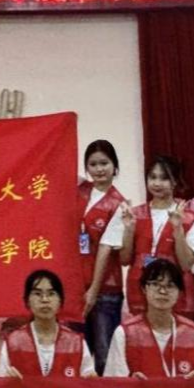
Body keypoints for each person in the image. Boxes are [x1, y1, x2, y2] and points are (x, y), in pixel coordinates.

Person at [121, 156, 194, 320]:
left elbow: (186, 264)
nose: (157, 183)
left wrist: (178, 229)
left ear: (175, 182)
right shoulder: (134, 214)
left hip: (176, 294)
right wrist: (129, 230)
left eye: (164, 178)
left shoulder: (189, 217)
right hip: (140, 291)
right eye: (153, 177)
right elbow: (124, 259)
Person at [104, 259, 194, 378]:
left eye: (170, 286)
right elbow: (113, 383)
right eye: (155, 284)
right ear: (144, 289)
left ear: (179, 292)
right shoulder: (124, 333)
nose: (162, 291)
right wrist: (131, 383)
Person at [77, 140, 129, 374]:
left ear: (114, 166)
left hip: (105, 291)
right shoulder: (80, 190)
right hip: (76, 287)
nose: (99, 169)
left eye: (104, 163)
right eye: (93, 164)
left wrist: (93, 292)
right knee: (77, 352)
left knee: (104, 355)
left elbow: (106, 249)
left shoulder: (119, 204)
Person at [2, 269, 97, 378]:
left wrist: (91, 379)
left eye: (51, 294)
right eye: (38, 294)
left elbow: (89, 381)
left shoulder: (76, 343)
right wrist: (7, 380)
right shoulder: (13, 342)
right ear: (27, 301)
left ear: (60, 301)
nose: (45, 299)